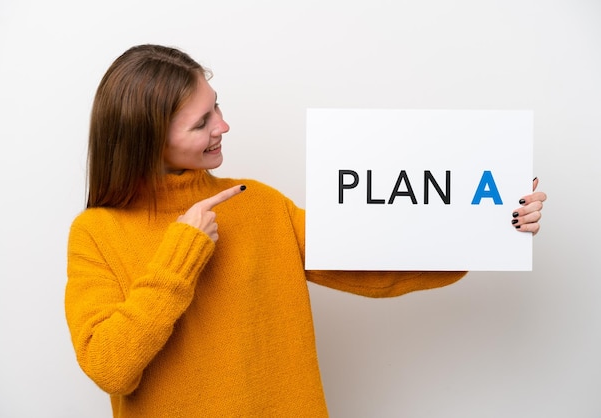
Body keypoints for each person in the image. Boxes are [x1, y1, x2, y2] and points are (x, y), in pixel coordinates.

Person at [65, 44, 547, 417]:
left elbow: (369, 264)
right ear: (147, 138)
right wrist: (181, 255)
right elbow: (111, 368)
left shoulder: (258, 204)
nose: (224, 126)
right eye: (201, 123)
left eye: (218, 107)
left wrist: (490, 224)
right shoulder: (96, 232)